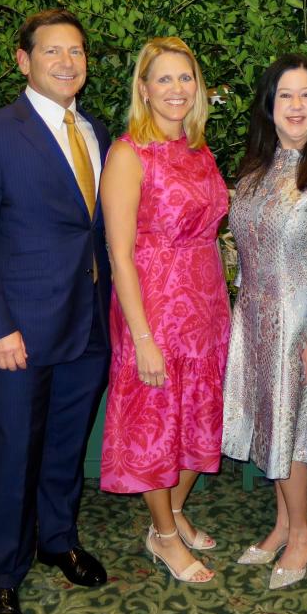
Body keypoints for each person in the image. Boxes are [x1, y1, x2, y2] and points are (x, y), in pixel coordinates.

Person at [0, 9, 111, 614]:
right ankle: (2, 572)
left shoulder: (93, 130)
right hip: (19, 331)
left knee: (66, 447)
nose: (68, 62)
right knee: (16, 449)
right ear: (24, 60)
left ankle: (58, 541)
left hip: (88, 325)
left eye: (77, 51)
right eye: (52, 52)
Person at [222, 54, 307, 590]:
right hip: (255, 319)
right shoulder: (258, 167)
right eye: (285, 95)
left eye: (306, 95)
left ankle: (303, 531)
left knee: (292, 436)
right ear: (270, 106)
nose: (296, 106)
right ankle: (282, 523)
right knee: (271, 431)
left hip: (302, 325)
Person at [99, 37, 230, 584]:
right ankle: (165, 537)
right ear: (144, 89)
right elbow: (119, 256)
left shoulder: (200, 150)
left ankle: (173, 513)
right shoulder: (129, 153)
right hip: (152, 308)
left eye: (185, 78)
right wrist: (144, 337)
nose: (177, 89)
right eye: (164, 79)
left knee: (197, 418)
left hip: (206, 307)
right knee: (155, 424)